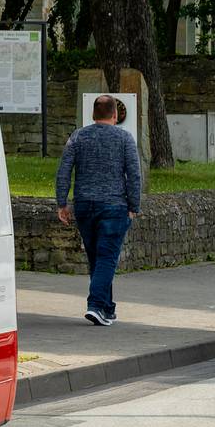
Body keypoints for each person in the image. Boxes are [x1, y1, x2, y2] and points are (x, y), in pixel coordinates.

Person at [56, 94, 144, 326]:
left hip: (84, 205)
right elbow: (134, 174)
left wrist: (62, 203)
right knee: (107, 257)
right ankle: (95, 305)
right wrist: (134, 205)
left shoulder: (78, 136)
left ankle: (107, 308)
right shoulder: (124, 138)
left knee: (97, 257)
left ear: (93, 114)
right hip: (114, 206)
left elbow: (64, 171)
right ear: (115, 114)